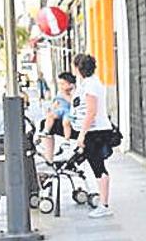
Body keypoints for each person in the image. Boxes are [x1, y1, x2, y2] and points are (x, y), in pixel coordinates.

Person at [71, 54, 114, 218]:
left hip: (95, 132)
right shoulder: (90, 83)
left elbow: (91, 111)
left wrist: (82, 135)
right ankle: (103, 202)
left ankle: (104, 204)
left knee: (98, 167)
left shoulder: (90, 86)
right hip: (95, 130)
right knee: (98, 166)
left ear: (77, 68)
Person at [38, 71, 76, 162]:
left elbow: (74, 104)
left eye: (63, 84)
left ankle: (66, 141)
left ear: (70, 84)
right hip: (60, 112)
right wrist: (51, 110)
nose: (61, 86)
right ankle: (45, 132)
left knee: (65, 122)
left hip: (71, 116)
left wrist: (66, 95)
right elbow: (55, 104)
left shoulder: (74, 92)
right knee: (46, 120)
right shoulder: (60, 93)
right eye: (60, 84)